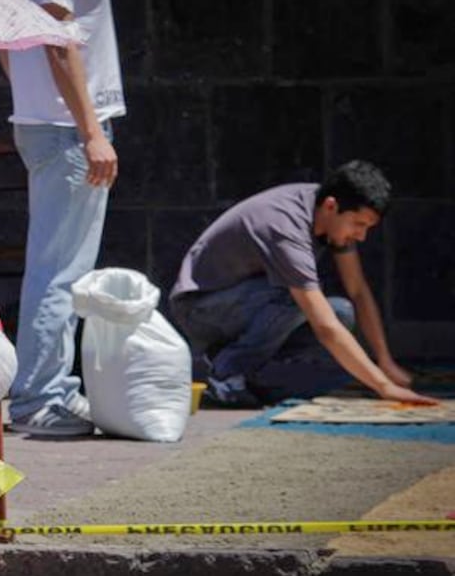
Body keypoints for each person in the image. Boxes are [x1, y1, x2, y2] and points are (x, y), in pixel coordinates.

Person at [168, 160, 438, 408]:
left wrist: (385, 362)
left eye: (367, 228)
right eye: (358, 224)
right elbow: (324, 327)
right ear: (331, 206)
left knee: (340, 311)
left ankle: (241, 366)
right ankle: (226, 375)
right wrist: (384, 386)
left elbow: (357, 290)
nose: (362, 236)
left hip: (243, 303)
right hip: (199, 308)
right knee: (298, 297)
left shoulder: (326, 213)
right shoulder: (287, 228)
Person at [0, 0, 126, 437]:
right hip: (66, 127)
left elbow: (6, 41)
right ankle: (40, 397)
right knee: (60, 270)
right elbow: (57, 39)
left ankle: (50, 389)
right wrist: (90, 131)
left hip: (49, 122)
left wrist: (33, 99)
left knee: (56, 266)